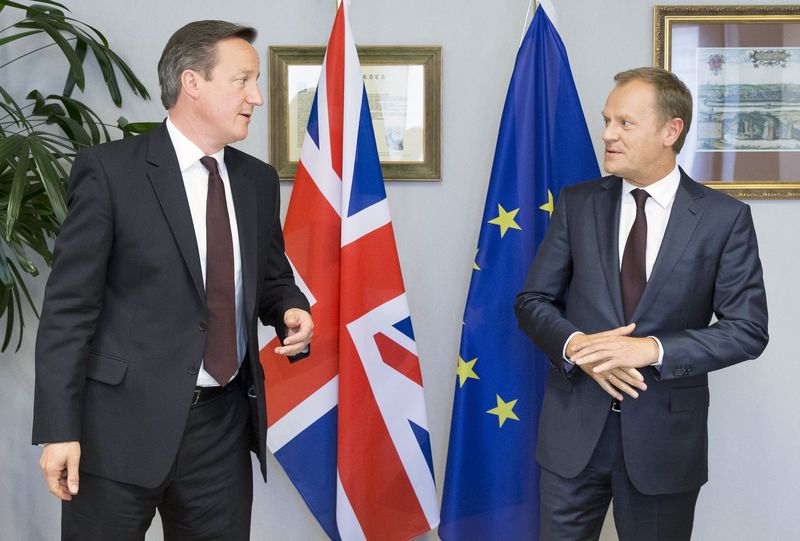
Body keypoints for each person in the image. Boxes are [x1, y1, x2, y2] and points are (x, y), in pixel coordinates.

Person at [32, 20, 314, 540]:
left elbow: (273, 276)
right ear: (192, 82)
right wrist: (60, 430)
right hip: (116, 433)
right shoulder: (109, 171)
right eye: (243, 80)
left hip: (222, 435)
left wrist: (290, 309)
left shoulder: (256, 180)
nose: (257, 96)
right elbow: (68, 310)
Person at [514, 67, 768, 540]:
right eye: (607, 120)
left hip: (664, 444)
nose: (608, 134)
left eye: (624, 124)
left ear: (671, 131)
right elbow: (532, 300)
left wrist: (650, 350)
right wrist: (580, 348)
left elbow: (747, 330)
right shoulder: (578, 203)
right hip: (573, 438)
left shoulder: (724, 218)